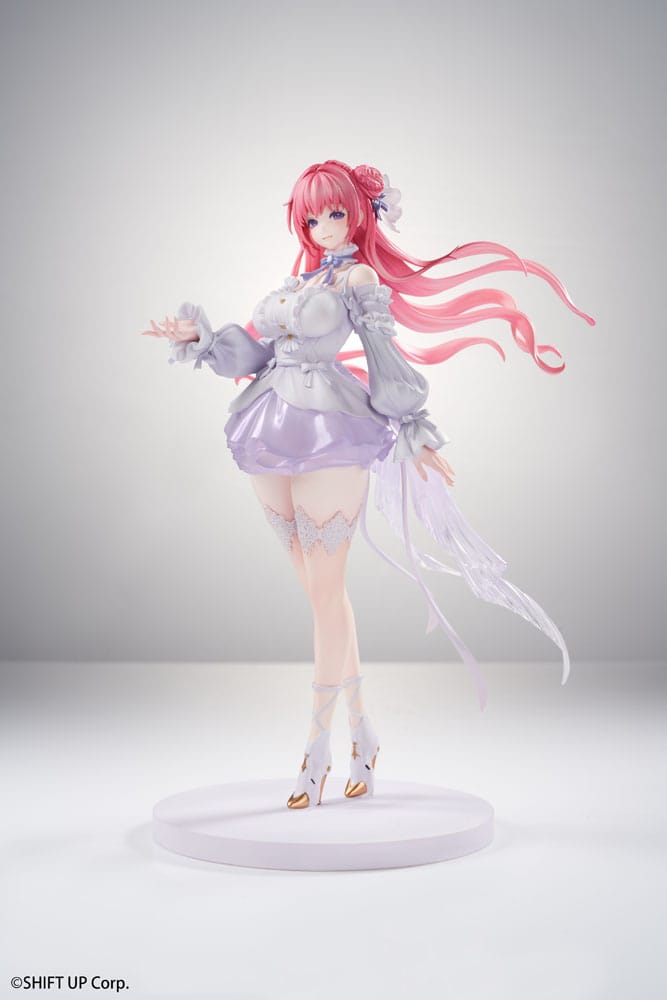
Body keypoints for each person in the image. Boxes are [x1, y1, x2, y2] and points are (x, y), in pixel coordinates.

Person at [142, 160, 594, 809]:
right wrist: (203, 339)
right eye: (312, 217)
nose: (324, 226)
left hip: (330, 427)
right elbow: (258, 352)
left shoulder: (359, 279)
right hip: (267, 421)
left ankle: (316, 746)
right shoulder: (300, 280)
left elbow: (385, 356)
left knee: (325, 592)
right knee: (319, 594)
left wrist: (414, 427)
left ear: (358, 215)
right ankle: (364, 733)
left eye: (335, 213)